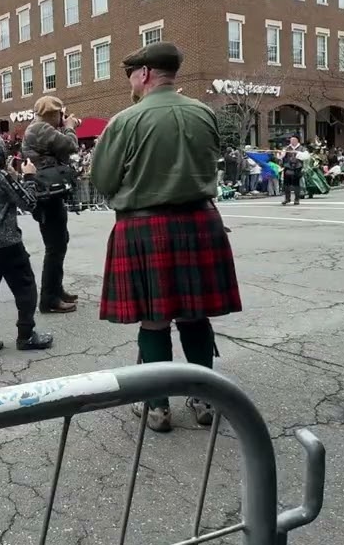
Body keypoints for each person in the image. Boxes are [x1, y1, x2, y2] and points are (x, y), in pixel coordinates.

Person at [91, 42, 241, 433]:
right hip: (199, 222)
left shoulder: (125, 120)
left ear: (144, 74)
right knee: (194, 315)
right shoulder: (204, 113)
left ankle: (157, 408)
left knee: (155, 321)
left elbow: (103, 181)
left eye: (132, 76)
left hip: (145, 226)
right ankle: (205, 400)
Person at [0, 134, 54, 357]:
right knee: (25, 287)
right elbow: (28, 202)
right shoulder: (0, 176)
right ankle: (26, 335)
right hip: (7, 242)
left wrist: (13, 175)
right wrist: (28, 177)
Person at [22, 95, 80, 313]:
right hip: (47, 194)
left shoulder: (38, 128)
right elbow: (71, 145)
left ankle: (56, 289)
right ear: (53, 114)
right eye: (60, 115)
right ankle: (49, 299)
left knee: (60, 241)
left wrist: (65, 127)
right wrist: (70, 127)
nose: (62, 118)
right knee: (55, 246)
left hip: (50, 192)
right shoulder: (40, 128)